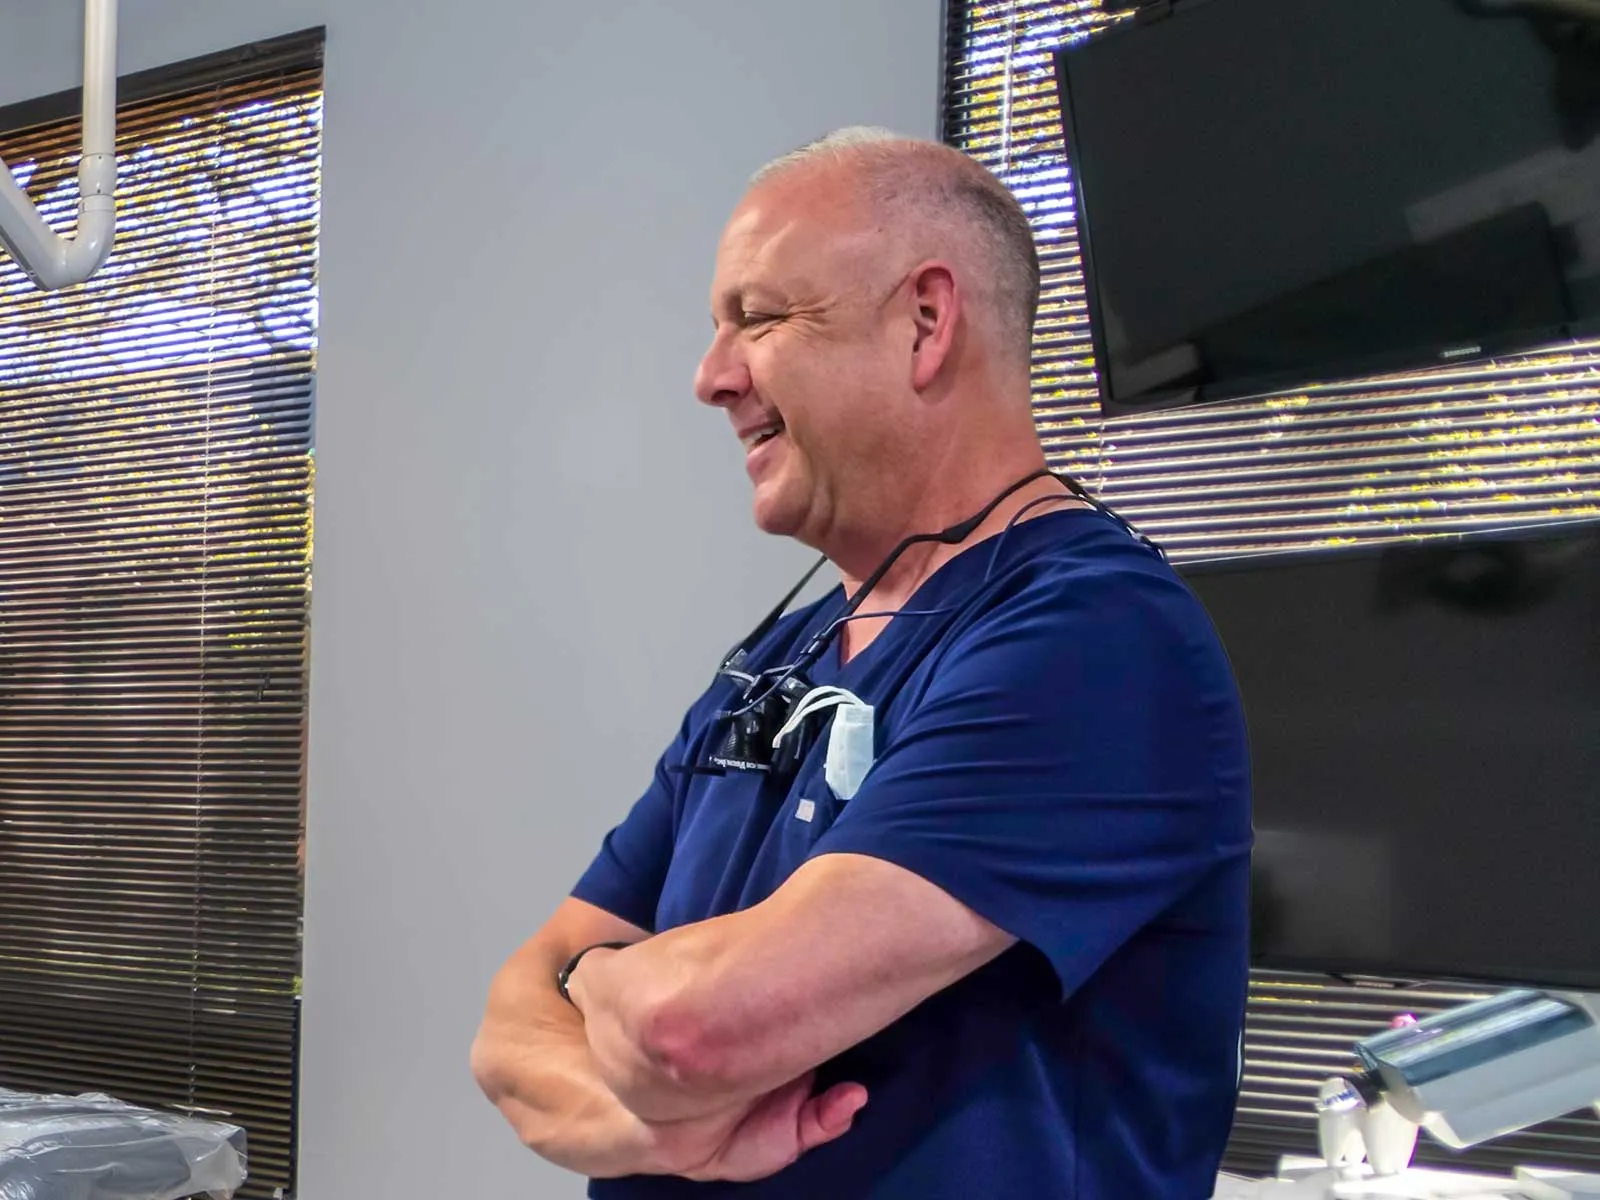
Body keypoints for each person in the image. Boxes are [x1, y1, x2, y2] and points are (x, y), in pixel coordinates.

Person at [471, 126, 1253, 1199]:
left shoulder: (1096, 641)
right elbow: (509, 1033)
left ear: (925, 323)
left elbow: (694, 1029)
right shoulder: (778, 659)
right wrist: (660, 1133)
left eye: (760, 319)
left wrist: (598, 980)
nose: (709, 378)